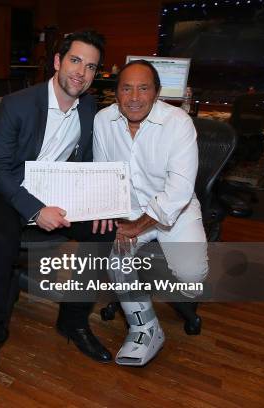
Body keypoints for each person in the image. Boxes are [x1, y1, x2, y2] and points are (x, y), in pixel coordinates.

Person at [0, 31, 115, 408]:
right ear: (57, 62)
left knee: (104, 229)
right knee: (1, 241)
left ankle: (74, 319)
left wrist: (98, 204)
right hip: (3, 192)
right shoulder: (19, 103)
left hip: (56, 192)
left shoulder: (88, 108)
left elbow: (86, 166)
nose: (81, 72)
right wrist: (34, 210)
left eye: (91, 66)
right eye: (76, 60)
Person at [93, 60, 209, 366]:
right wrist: (120, 219)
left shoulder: (179, 122)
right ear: (115, 92)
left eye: (143, 88)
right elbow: (104, 175)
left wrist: (139, 226)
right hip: (129, 210)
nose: (134, 97)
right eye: (126, 88)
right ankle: (145, 327)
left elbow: (179, 191)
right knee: (116, 260)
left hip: (177, 211)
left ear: (156, 92)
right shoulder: (103, 121)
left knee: (192, 277)